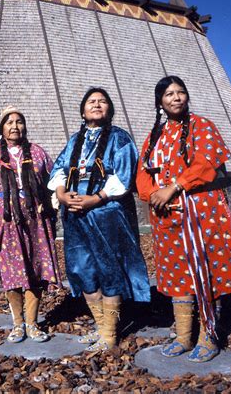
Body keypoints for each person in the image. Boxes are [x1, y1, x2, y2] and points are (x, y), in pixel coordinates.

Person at [136, 75, 231, 362]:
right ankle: (184, 335)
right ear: (160, 102)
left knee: (205, 267)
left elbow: (206, 164)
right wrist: (152, 194)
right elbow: (142, 172)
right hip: (167, 215)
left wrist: (173, 187)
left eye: (180, 92)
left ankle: (209, 334)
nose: (176, 98)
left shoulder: (202, 126)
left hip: (201, 211)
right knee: (177, 271)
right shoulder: (155, 136)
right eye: (169, 94)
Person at [48, 87, 150, 351]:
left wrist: (97, 198)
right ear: (83, 110)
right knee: (82, 268)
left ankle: (111, 333)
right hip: (73, 215)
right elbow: (59, 168)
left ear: (110, 109)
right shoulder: (74, 141)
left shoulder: (120, 138)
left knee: (109, 267)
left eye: (102, 101)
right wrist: (61, 194)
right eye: (91, 101)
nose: (97, 105)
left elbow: (124, 176)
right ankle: (101, 325)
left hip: (107, 214)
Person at [0, 106, 61, 343]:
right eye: (9, 122)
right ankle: (17, 324)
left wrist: (51, 206)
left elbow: (54, 182)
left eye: (19, 121)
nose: (14, 126)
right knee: (11, 270)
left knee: (36, 268)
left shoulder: (38, 153)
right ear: (2, 128)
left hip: (35, 219)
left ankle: (32, 323)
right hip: (4, 218)